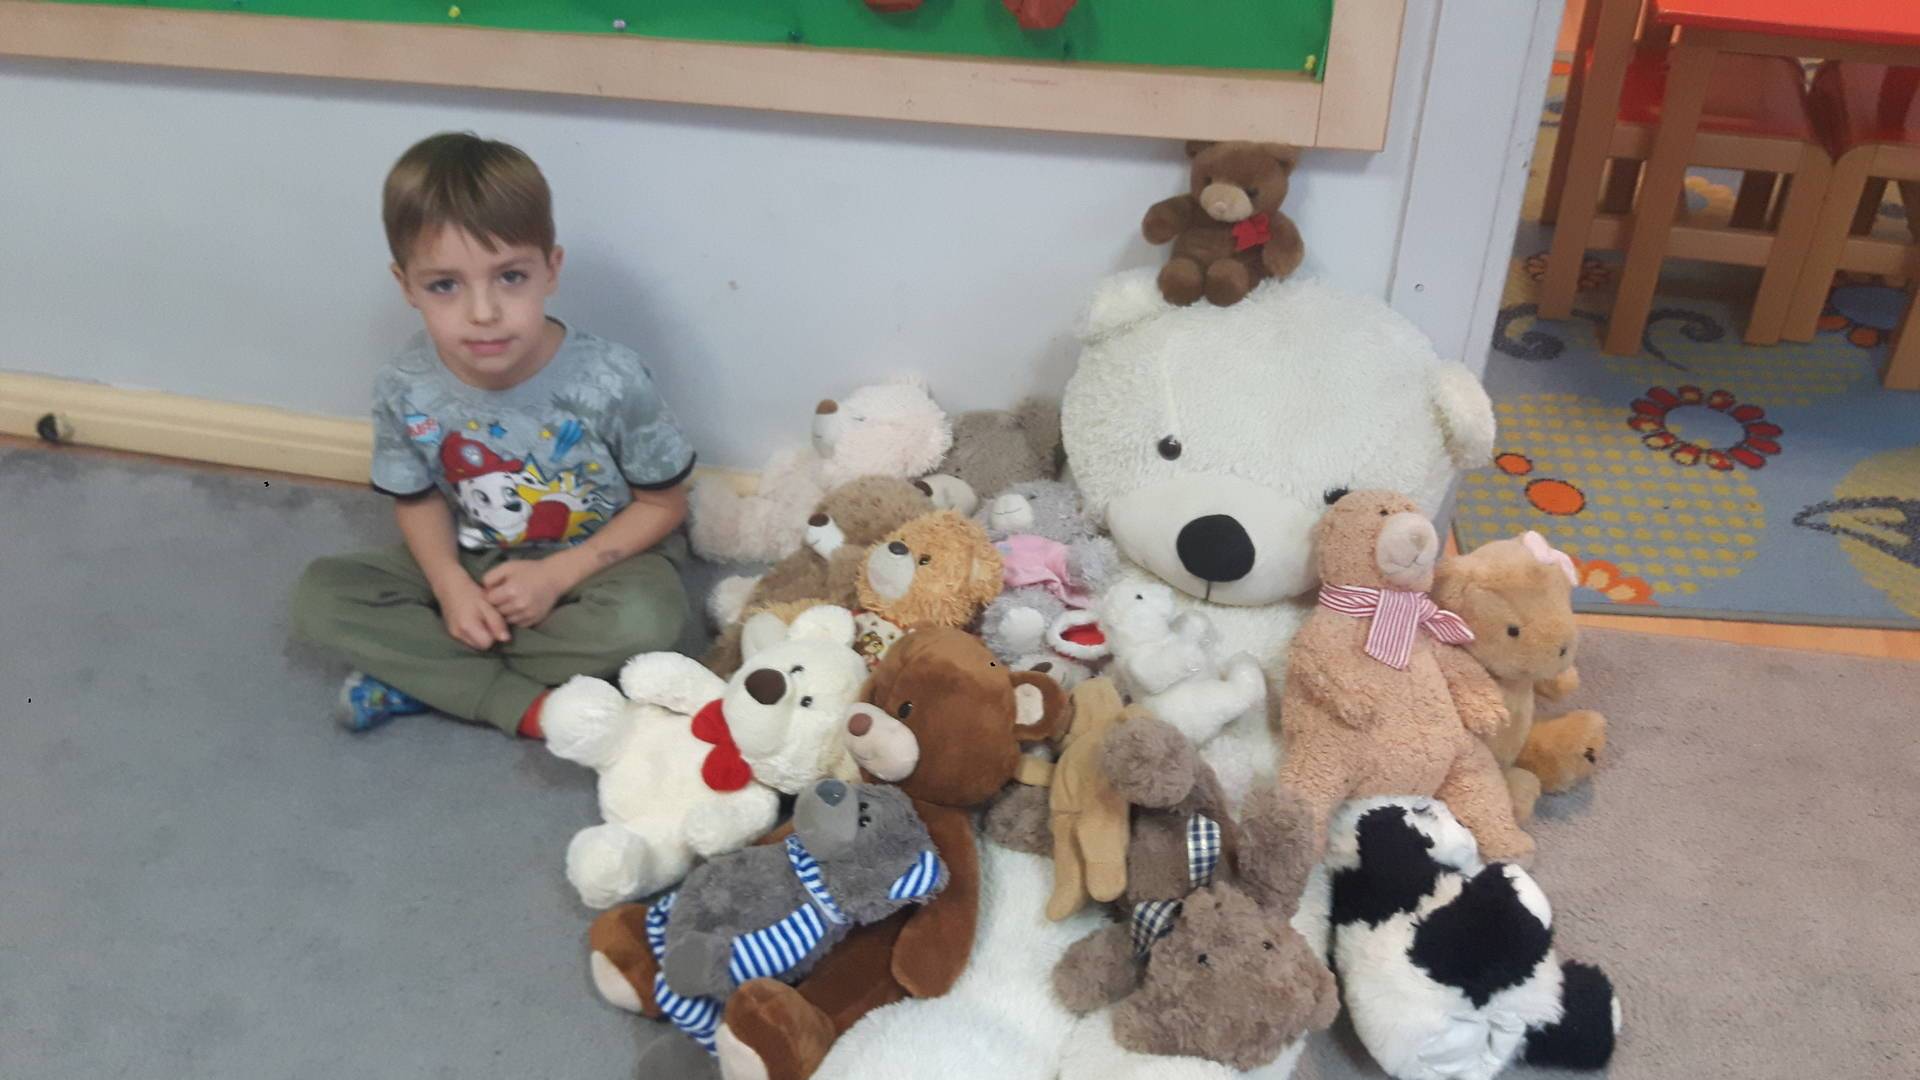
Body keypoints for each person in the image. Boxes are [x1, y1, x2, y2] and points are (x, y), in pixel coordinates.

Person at [293, 132, 694, 736]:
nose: (483, 313)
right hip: (475, 557)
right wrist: (451, 585)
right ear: (407, 286)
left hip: (599, 562)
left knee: (648, 622)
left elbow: (664, 505)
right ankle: (520, 701)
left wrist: (557, 576)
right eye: (445, 285)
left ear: (550, 270)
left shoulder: (612, 377)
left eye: (510, 276)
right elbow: (418, 501)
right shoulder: (403, 385)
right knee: (321, 596)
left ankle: (432, 675)